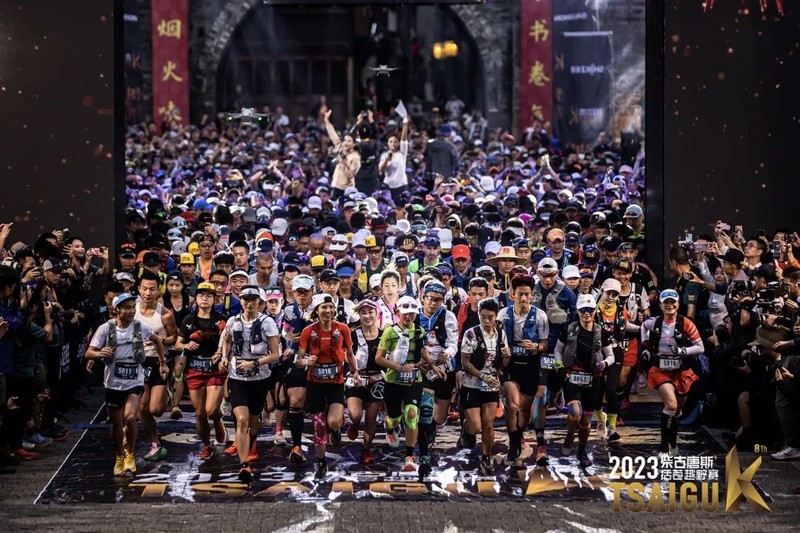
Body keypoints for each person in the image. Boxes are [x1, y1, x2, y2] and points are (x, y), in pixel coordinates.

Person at [86, 293, 164, 476]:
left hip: (134, 381)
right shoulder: (106, 328)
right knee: (117, 424)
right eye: (127, 308)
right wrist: (99, 354)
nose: (131, 311)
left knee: (130, 417)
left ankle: (130, 453)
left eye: (132, 307)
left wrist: (162, 362)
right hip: (113, 382)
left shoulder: (140, 326)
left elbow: (157, 340)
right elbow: (89, 352)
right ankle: (119, 455)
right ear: (117, 310)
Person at [219, 285, 281, 482]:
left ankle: (251, 440)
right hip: (237, 378)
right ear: (241, 301)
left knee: (254, 421)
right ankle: (244, 464)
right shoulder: (233, 321)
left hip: (259, 378)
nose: (249, 303)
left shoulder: (267, 322)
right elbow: (226, 340)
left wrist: (254, 363)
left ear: (259, 302)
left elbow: (275, 354)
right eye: (246, 299)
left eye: (253, 299)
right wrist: (224, 357)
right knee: (242, 420)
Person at [375, 296, 443, 474]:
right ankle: (389, 425)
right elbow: (379, 358)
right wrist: (399, 367)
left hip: (414, 380)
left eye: (412, 313)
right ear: (397, 312)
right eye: (405, 313)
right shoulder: (390, 332)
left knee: (412, 415)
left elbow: (423, 351)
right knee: (395, 418)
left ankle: (410, 456)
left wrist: (433, 367)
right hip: (393, 381)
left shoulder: (419, 331)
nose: (408, 317)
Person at [295, 293, 359, 478]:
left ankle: (337, 426)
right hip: (314, 383)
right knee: (319, 425)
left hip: (335, 382)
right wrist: (306, 361)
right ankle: (321, 461)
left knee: (333, 422)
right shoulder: (308, 331)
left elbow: (350, 353)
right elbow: (298, 360)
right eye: (324, 307)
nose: (328, 310)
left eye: (331, 307)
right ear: (316, 310)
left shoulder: (343, 329)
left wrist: (355, 371)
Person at [640, 289, 704, 458]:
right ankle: (663, 446)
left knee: (677, 410)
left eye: (672, 302)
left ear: (678, 304)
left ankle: (673, 441)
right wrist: (645, 346)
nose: (669, 305)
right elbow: (643, 327)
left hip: (682, 371)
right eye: (666, 302)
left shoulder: (686, 324)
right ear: (660, 305)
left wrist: (684, 351)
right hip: (661, 370)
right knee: (671, 405)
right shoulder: (654, 322)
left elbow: (700, 347)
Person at [554, 293, 615, 468]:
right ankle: (569, 435)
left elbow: (610, 355)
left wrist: (604, 363)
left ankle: (581, 449)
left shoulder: (601, 332)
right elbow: (558, 350)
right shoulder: (569, 329)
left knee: (586, 419)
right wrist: (559, 365)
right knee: (574, 412)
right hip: (572, 376)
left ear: (595, 311)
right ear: (578, 312)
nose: (586, 313)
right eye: (583, 310)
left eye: (590, 310)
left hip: (593, 379)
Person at [497, 273, 549, 465]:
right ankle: (513, 444)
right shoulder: (503, 314)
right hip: (510, 365)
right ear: (513, 294)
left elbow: (545, 344)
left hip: (530, 366)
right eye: (520, 294)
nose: (524, 298)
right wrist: (502, 351)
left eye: (527, 294)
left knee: (524, 409)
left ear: (532, 294)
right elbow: (495, 338)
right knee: (513, 406)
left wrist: (536, 346)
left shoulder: (540, 316)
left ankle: (518, 435)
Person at [175, 282, 227, 460]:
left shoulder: (221, 319)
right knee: (200, 413)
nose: (205, 298)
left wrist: (221, 353)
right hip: (194, 368)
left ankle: (218, 420)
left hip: (215, 369)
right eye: (201, 295)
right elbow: (178, 344)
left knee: (211, 410)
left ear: (214, 299)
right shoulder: (188, 320)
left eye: (209, 296)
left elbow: (229, 342)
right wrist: (186, 345)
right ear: (196, 298)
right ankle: (206, 445)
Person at [459, 298, 509, 475]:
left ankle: (486, 458)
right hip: (472, 383)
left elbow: (504, 363)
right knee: (476, 427)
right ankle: (466, 428)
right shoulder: (471, 334)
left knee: (488, 424)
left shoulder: (501, 334)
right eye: (483, 317)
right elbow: (465, 362)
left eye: (490, 317)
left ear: (496, 317)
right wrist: (481, 375)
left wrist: (507, 356)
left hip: (491, 384)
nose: (487, 321)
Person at [134, 271, 176, 461]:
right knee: (142, 409)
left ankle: (167, 393)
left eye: (152, 289)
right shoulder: (132, 311)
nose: (148, 293)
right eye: (144, 289)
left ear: (158, 291)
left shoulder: (165, 315)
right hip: (139, 362)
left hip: (159, 362)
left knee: (156, 410)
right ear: (139, 289)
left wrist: (161, 340)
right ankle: (155, 442)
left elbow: (174, 337)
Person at [345, 299, 385, 465]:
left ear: (377, 314)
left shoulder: (384, 335)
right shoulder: (353, 334)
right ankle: (354, 424)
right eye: (363, 313)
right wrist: (353, 369)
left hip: (377, 379)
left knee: (371, 418)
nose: (367, 316)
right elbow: (347, 355)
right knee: (355, 415)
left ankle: (366, 450)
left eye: (370, 312)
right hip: (357, 378)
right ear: (359, 315)